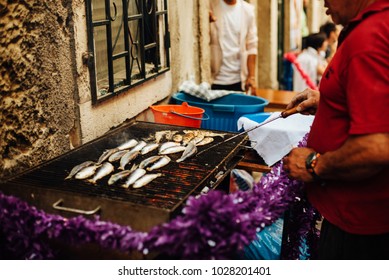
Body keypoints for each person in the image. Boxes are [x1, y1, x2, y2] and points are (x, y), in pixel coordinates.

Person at [282, 0, 389, 259]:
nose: (323, 2)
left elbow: (377, 147)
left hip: (361, 228)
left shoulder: (369, 37)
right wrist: (329, 100)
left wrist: (313, 164)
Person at [209, 0, 258, 95]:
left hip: (238, 80)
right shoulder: (211, 5)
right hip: (214, 80)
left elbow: (252, 45)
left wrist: (251, 77)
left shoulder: (247, 10)